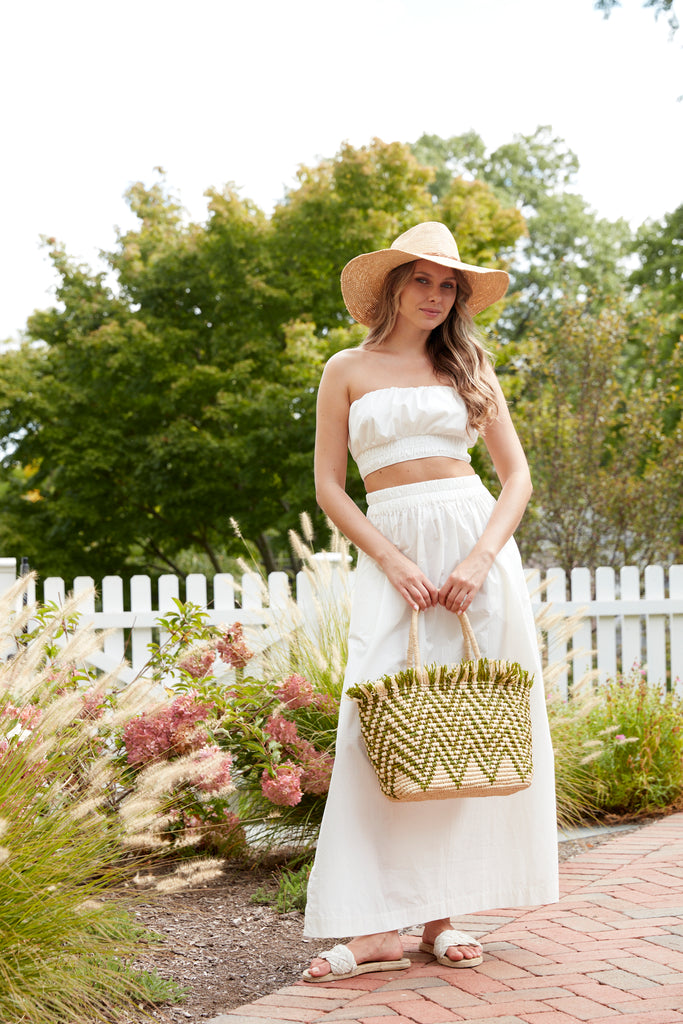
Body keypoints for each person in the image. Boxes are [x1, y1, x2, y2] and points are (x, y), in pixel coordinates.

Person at [302, 222, 559, 983]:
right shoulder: (345, 368)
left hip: (474, 552)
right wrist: (388, 558)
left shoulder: (469, 367)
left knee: (460, 734)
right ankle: (380, 927)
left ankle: (442, 920)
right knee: (375, 729)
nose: (435, 295)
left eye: (448, 286)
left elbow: (515, 477)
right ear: (391, 286)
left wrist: (480, 558)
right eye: (421, 280)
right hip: (394, 554)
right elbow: (327, 485)